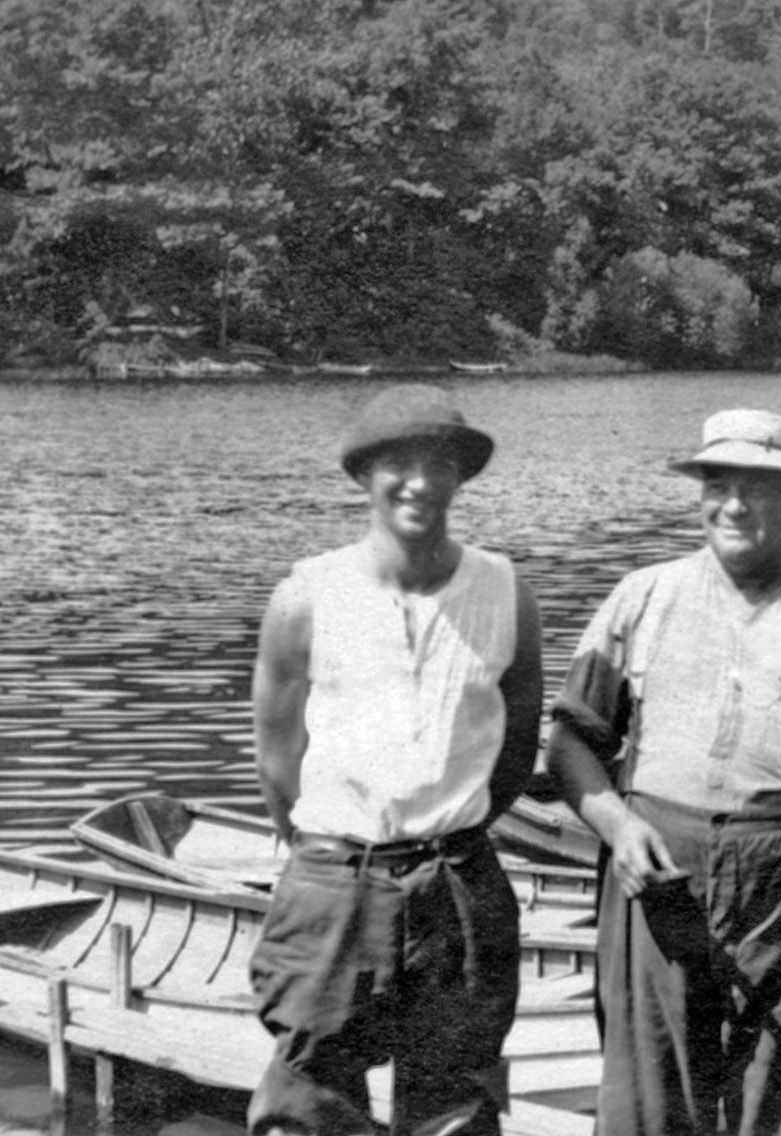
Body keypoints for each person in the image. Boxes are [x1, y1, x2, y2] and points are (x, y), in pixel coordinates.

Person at [546, 408, 781, 1136]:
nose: (733, 505)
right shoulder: (642, 597)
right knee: (646, 1103)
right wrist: (618, 827)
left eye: (758, 488)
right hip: (657, 876)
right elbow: (568, 744)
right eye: (717, 485)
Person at [246, 385, 542, 1136]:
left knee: (456, 1103)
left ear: (460, 477)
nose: (419, 484)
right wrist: (335, 859)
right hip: (335, 882)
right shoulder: (305, 598)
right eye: (397, 465)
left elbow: (513, 751)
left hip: (458, 884)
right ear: (363, 476)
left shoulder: (506, 593)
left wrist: (446, 835)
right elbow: (278, 763)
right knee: (308, 1100)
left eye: (438, 465)